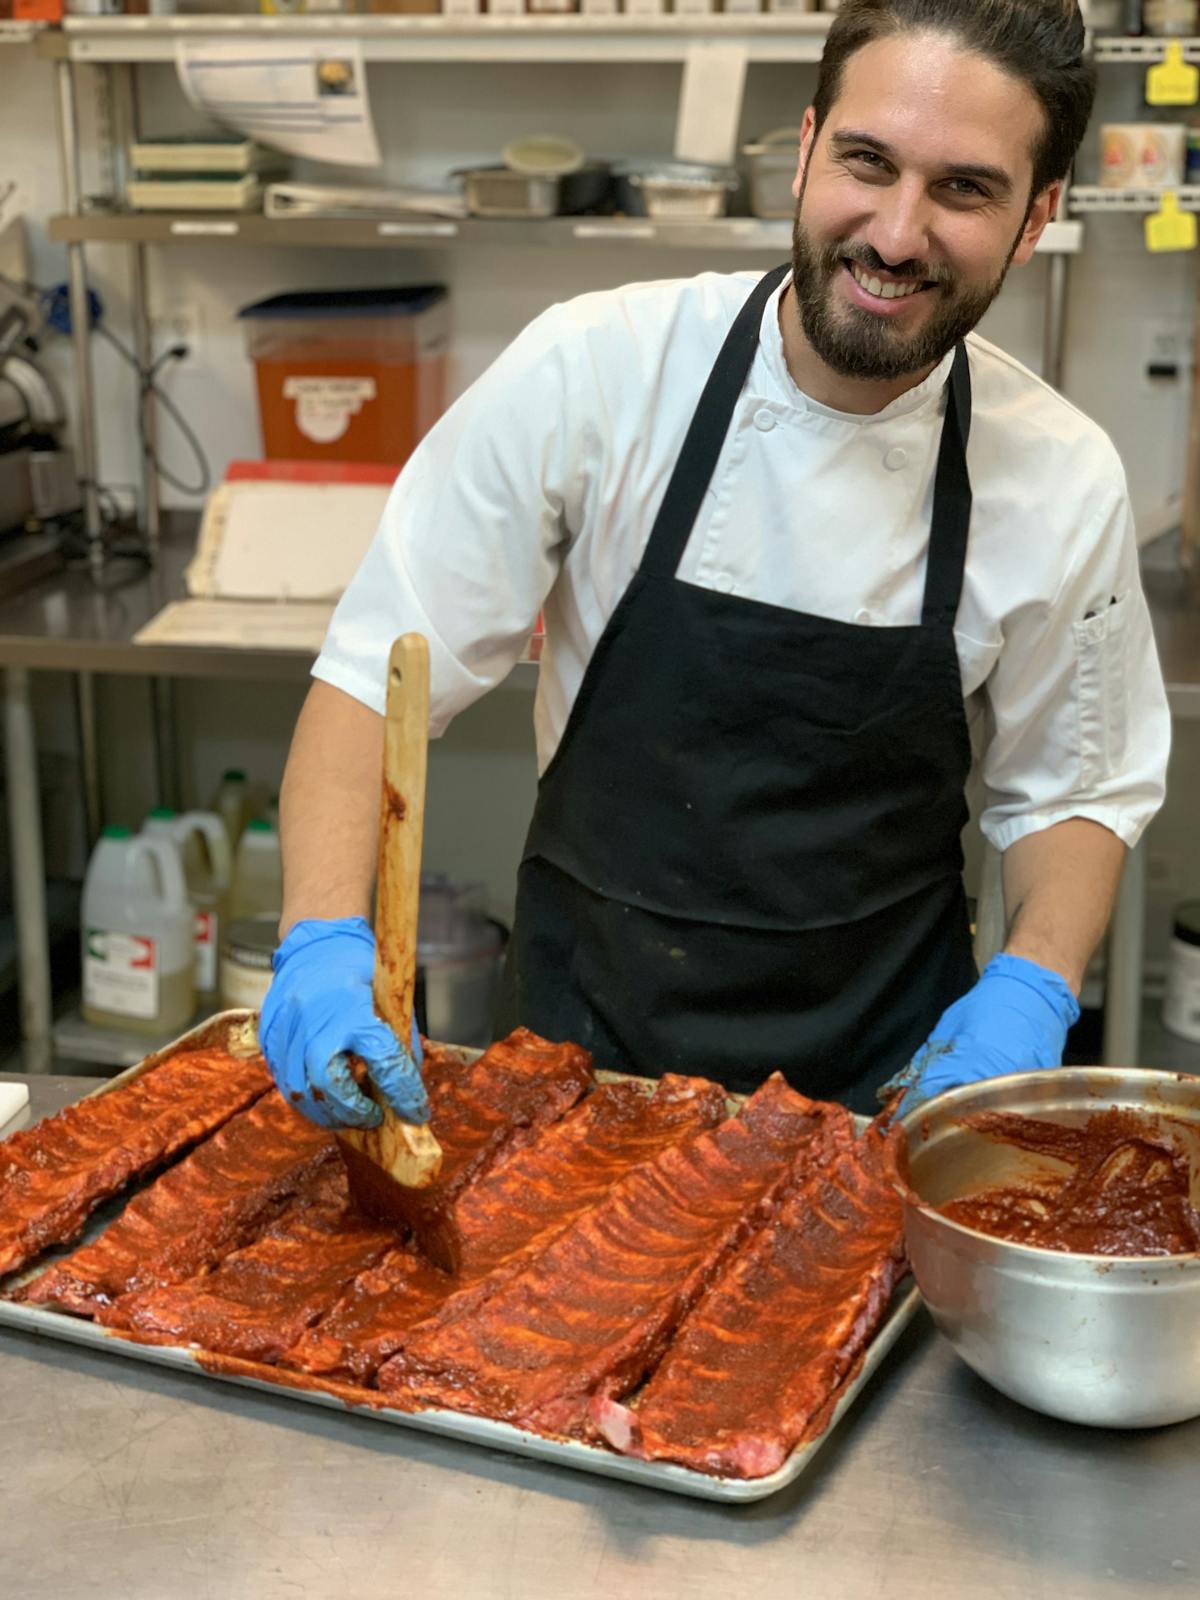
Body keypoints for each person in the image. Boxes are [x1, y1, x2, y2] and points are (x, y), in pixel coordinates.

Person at [260, 0, 1170, 1127]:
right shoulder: (594, 373)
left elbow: (1074, 788)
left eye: (963, 189)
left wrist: (1032, 986)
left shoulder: (1061, 476)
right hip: (575, 1073)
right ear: (802, 151)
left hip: (876, 1104)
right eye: (866, 161)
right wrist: (323, 937)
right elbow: (373, 677)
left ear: (1038, 217)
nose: (893, 232)